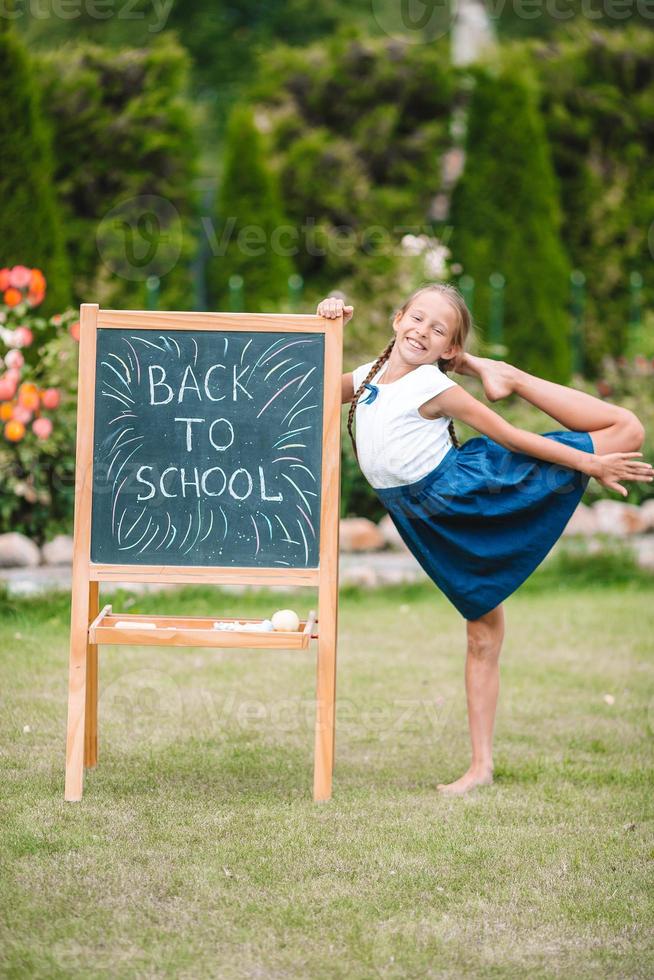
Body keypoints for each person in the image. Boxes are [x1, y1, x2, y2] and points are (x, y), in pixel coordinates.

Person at [317, 284, 653, 796]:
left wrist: (588, 463)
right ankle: (481, 766)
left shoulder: (436, 386)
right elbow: (307, 382)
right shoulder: (367, 377)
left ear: (449, 349)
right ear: (397, 317)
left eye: (438, 330)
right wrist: (329, 312)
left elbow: (510, 437)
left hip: (472, 493)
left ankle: (508, 374)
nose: (422, 332)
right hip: (431, 519)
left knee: (626, 429)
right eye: (417, 319)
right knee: (484, 632)